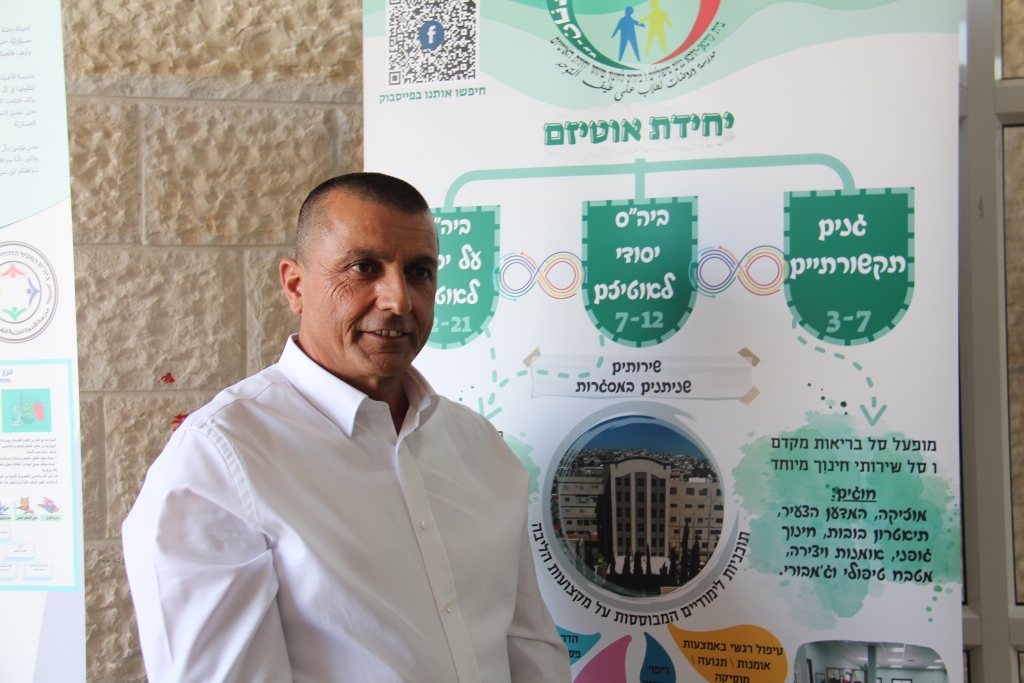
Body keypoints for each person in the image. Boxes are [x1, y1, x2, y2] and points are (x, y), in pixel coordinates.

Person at [122, 172, 572, 682]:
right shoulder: (219, 461)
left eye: (419, 272)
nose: (398, 300)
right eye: (364, 267)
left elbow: (529, 648)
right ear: (295, 286)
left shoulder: (479, 447)